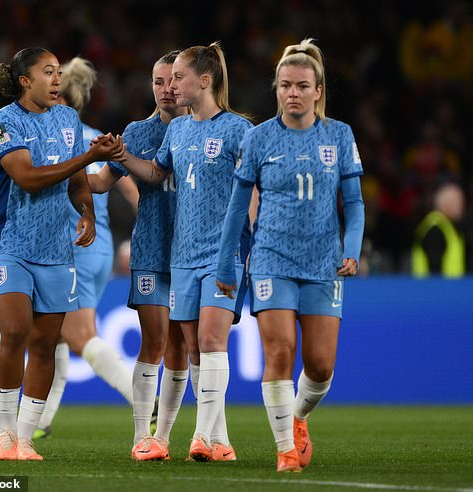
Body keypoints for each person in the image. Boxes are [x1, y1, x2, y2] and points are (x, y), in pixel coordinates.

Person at [216, 38, 365, 472]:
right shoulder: (258, 138)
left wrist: (351, 249)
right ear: (276, 89)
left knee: (320, 367)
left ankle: (297, 418)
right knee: (279, 351)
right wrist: (227, 262)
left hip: (323, 263)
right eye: (285, 85)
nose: (292, 93)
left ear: (318, 91)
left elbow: (353, 203)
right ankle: (285, 450)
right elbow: (236, 209)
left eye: (302, 85)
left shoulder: (339, 135)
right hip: (270, 259)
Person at [0, 56, 140, 442]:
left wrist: (86, 210)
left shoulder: (67, 121)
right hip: (10, 244)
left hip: (59, 248)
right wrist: (89, 157)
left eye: (58, 72)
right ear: (23, 81)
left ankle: (29, 431)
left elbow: (79, 180)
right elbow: (28, 178)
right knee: (17, 332)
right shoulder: (2, 121)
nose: (56, 79)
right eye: (47, 73)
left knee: (49, 342)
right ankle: (7, 434)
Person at [112, 42, 253, 462]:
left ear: (204, 81)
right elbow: (157, 172)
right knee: (193, 348)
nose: (171, 86)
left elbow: (254, 188)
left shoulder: (238, 130)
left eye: (178, 77)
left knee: (211, 340)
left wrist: (256, 240)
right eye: (166, 79)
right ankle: (218, 440)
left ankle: (202, 436)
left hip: (222, 254)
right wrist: (121, 156)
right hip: (181, 255)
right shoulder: (177, 130)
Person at [87, 50, 190, 461]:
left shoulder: (204, 131)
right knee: (156, 340)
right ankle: (140, 438)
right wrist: (82, 161)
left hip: (191, 251)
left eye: (173, 81)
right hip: (150, 248)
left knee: (181, 348)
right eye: (157, 82)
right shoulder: (137, 132)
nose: (166, 90)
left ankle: (163, 436)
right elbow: (98, 184)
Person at [411, 181, 466, 277]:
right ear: (446, 204)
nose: (461, 207)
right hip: (435, 289)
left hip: (452, 289)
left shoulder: (448, 227)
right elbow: (434, 266)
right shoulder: (435, 229)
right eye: (458, 202)